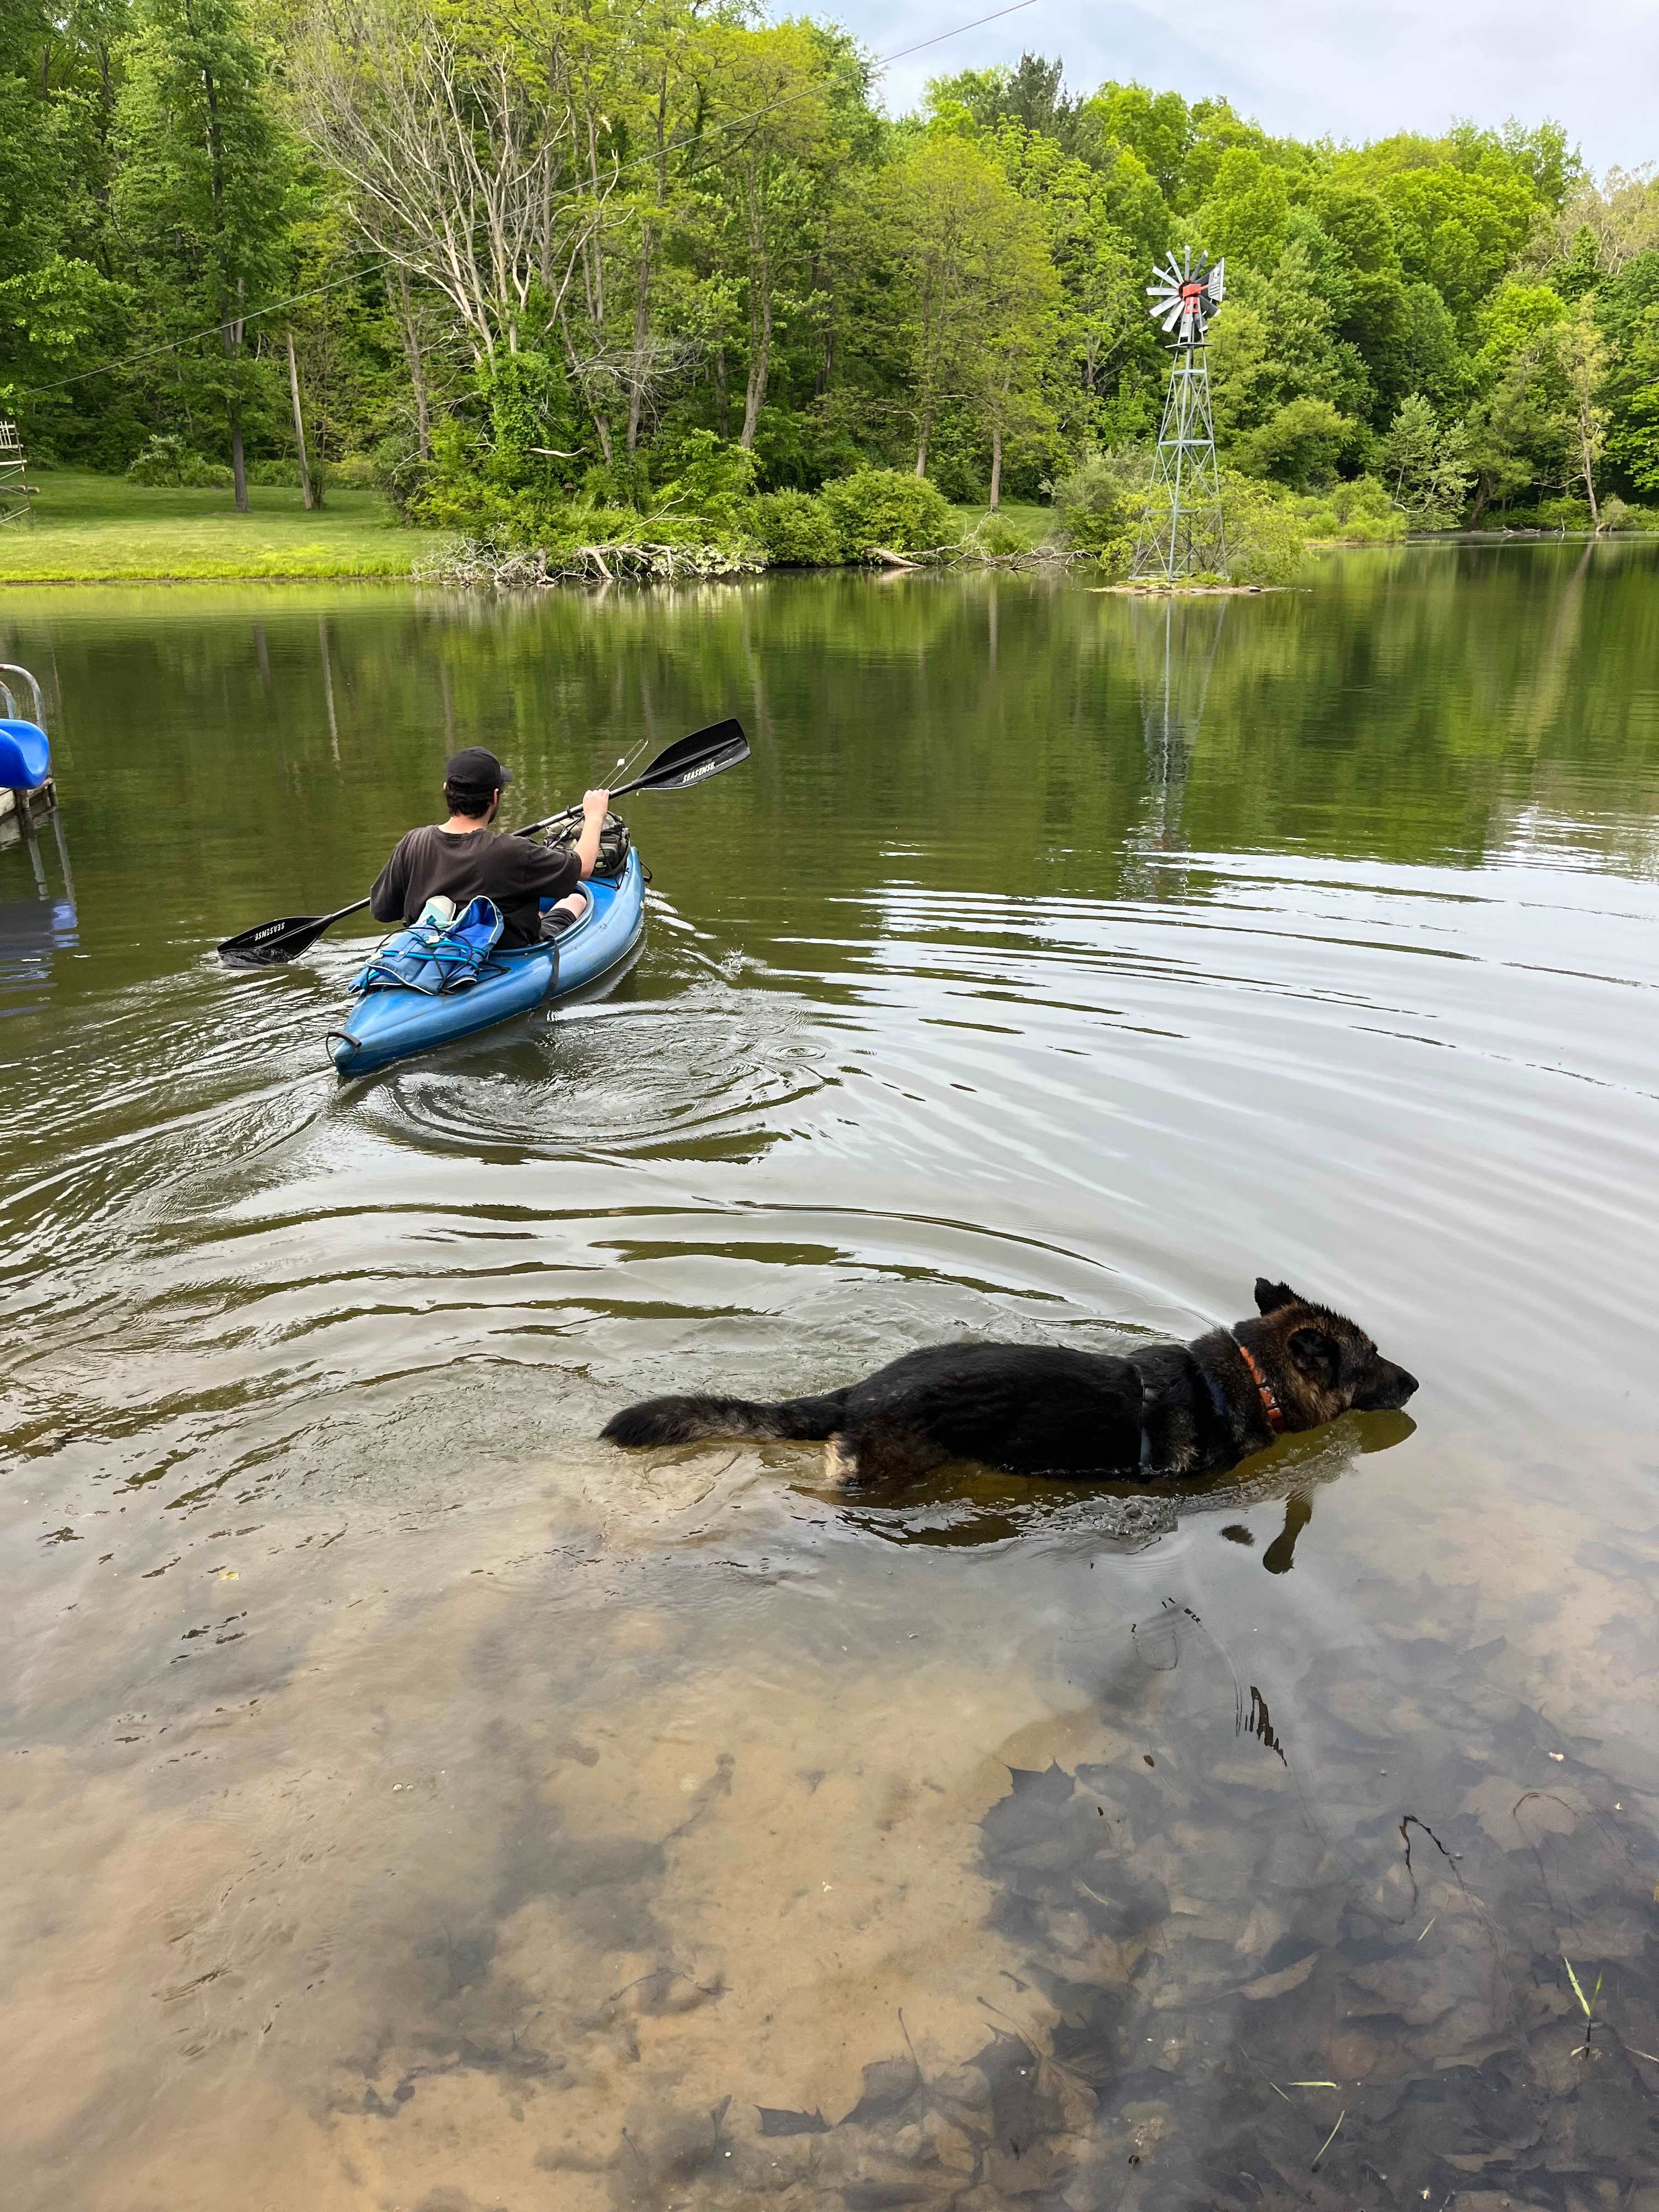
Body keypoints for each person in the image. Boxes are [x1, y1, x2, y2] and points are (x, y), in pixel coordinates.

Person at [369, 746, 610, 947]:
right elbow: (584, 867)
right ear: (495, 797)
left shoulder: (413, 841)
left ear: (446, 791)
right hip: (504, 953)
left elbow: (383, 912)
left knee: (536, 910)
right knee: (576, 899)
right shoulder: (512, 851)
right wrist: (594, 816)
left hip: (433, 950)